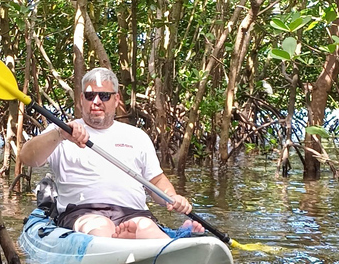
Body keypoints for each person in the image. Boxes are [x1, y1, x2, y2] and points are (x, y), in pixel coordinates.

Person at [20, 67, 204, 239]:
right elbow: (27, 158)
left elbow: (156, 181)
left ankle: (166, 243)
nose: (96, 102)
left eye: (104, 96)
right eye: (90, 95)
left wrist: (172, 198)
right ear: (81, 100)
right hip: (82, 213)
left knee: (146, 227)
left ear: (116, 100)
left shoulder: (137, 136)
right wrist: (60, 134)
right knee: (101, 226)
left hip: (133, 213)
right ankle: (120, 242)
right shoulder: (61, 131)